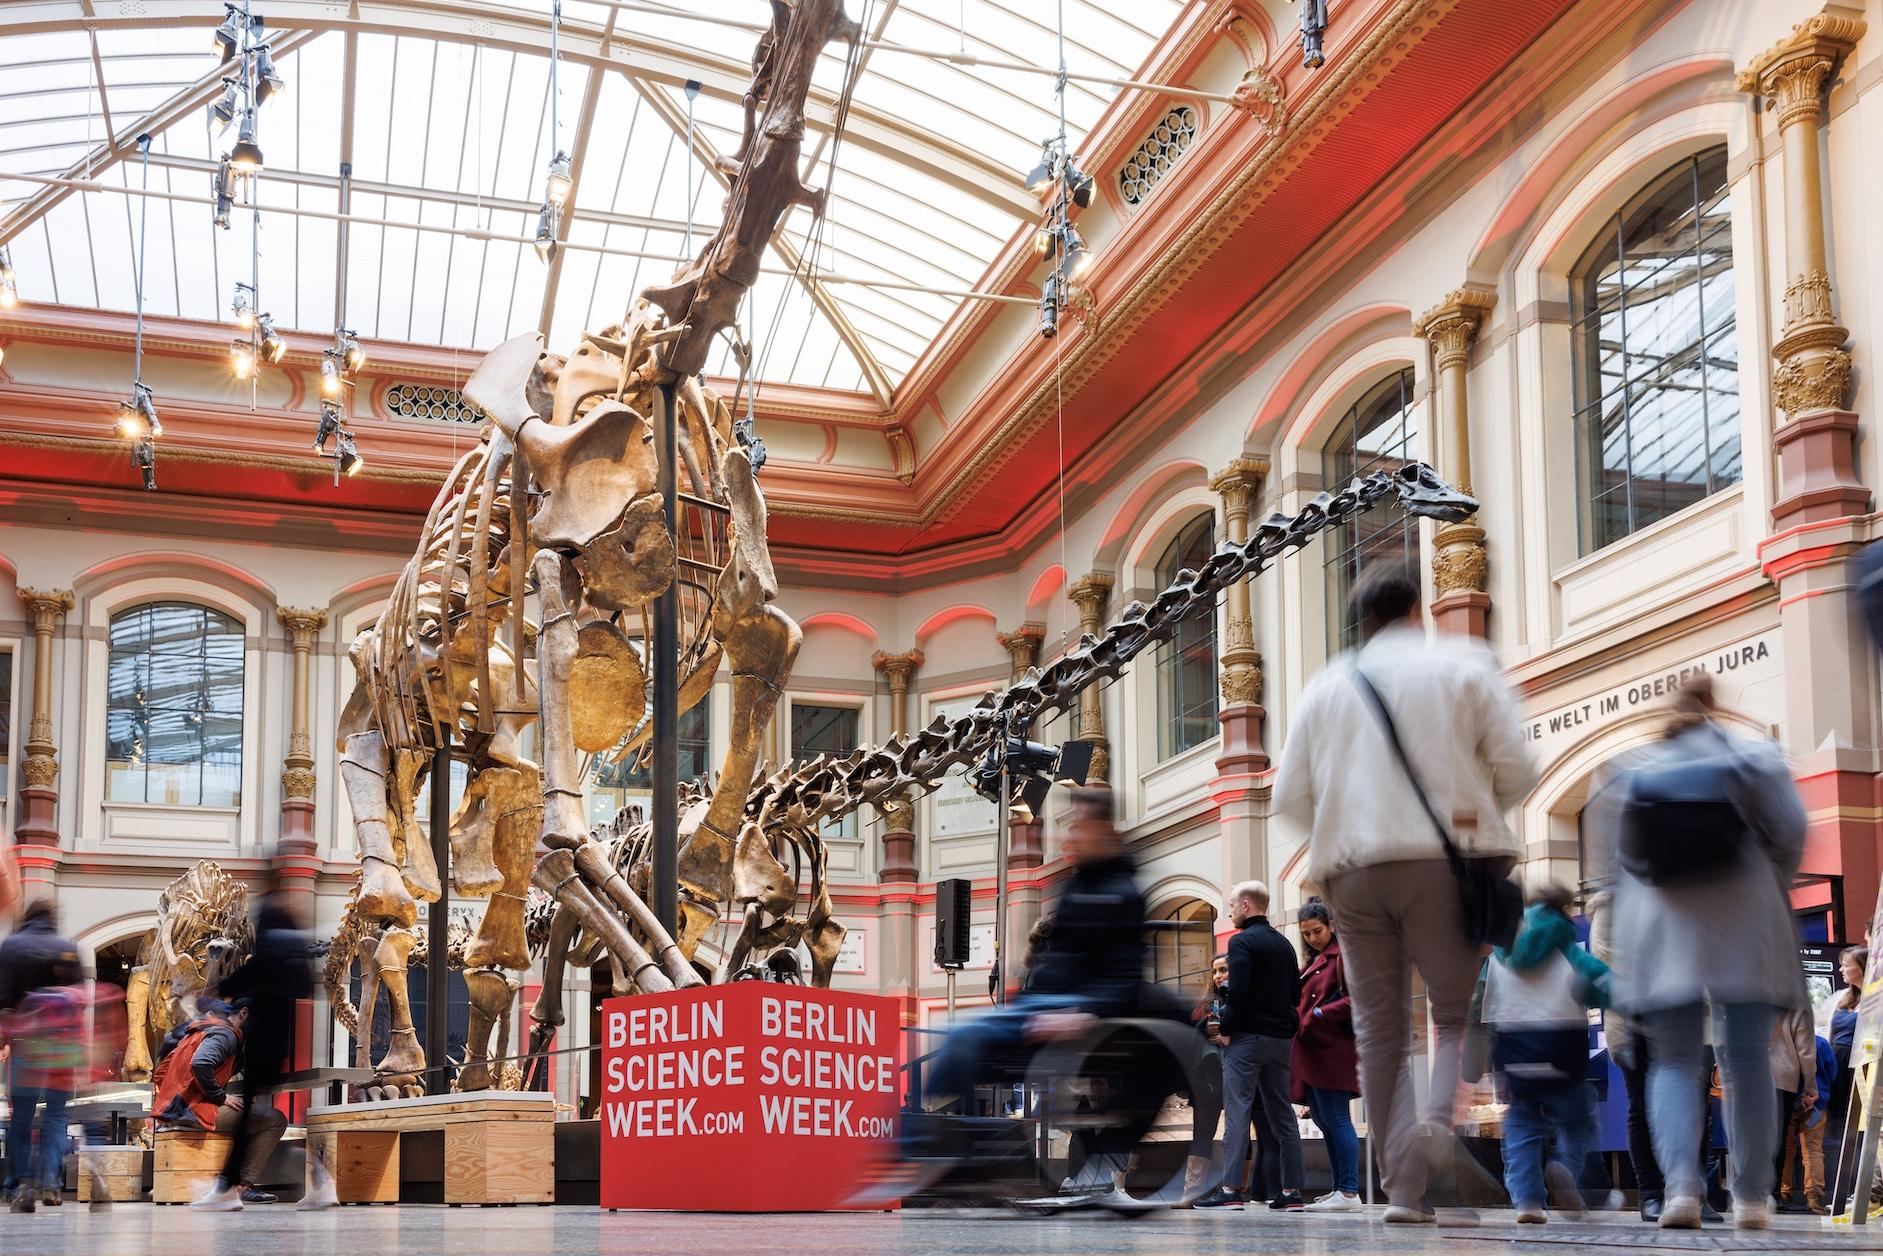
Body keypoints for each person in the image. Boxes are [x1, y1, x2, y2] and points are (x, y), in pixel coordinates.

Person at [1274, 565, 1537, 1223]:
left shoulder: (1326, 685)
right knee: (1450, 1017)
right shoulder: (1462, 665)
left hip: (1354, 869)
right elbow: (1516, 768)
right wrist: (1469, 804)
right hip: (1443, 863)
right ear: (1417, 610)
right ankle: (1435, 1133)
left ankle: (1403, 1191)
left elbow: (1289, 796)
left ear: (1360, 621)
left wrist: (1343, 829)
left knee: (1378, 1030)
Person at [1593, 673, 1808, 1231]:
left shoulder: (1633, 769)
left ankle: (1682, 1191)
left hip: (1663, 924)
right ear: (1715, 707)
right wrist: (1764, 879)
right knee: (1748, 1062)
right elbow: (1790, 831)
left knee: (1673, 1060)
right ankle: (1753, 1198)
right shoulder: (1755, 758)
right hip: (1748, 917)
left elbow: (1616, 864)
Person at [194, 858, 325, 1210]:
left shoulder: (271, 917)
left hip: (265, 1032)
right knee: (258, 1114)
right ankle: (319, 1181)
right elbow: (301, 983)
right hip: (280, 1031)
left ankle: (225, 1190)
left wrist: (219, 989)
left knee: (251, 1114)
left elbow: (259, 967)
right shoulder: (293, 926)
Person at [1481, 885, 1610, 1224]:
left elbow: (1485, 1004)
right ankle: (1564, 1167)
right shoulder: (1565, 943)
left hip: (1513, 1046)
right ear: (1563, 909)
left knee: (1522, 1124)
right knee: (1578, 1118)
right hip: (1562, 1045)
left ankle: (1527, 1202)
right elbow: (1600, 986)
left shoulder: (1502, 949)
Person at [1194, 880, 1305, 1212]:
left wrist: (1226, 1029)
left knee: (1238, 1112)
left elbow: (1238, 993)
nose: (1229, 912)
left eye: (1231, 905)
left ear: (1245, 905)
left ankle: (1230, 1189)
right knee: (1282, 1115)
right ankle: (1292, 1193)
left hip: (1246, 1040)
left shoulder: (1242, 943)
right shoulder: (1285, 945)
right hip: (1279, 1040)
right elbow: (1295, 996)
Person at [151, 998, 288, 1209]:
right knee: (275, 1119)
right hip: (192, 1110)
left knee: (249, 1113)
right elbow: (201, 1062)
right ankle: (241, 1186)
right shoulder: (226, 1034)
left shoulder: (202, 1028)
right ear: (243, 1013)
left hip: (176, 1108)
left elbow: (163, 1063)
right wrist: (220, 1097)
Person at [0, 898, 83, 1213]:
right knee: (56, 1117)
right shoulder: (66, 946)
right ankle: (50, 1182)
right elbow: (78, 1000)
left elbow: (4, 998)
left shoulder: (11, 946)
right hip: (62, 1049)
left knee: (20, 1118)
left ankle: (22, 1184)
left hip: (26, 1045)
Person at [1292, 899, 1361, 1213]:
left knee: (1335, 1118)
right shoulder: (1319, 960)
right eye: (1306, 933)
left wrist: (1318, 1013)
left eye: (1316, 931)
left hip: (1332, 1050)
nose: (1311, 938)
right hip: (1316, 1051)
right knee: (1324, 1119)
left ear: (1332, 926)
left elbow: (1357, 999)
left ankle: (1348, 1192)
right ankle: (1339, 1188)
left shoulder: (1343, 957)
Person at [1176, 952, 1229, 1205]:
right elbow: (1188, 1039)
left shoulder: (1244, 999)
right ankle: (1191, 1192)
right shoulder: (1205, 1004)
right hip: (1206, 1080)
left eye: (1224, 970)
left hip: (1235, 1075)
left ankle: (1237, 1188)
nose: (1219, 976)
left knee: (1238, 1132)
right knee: (1202, 1134)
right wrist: (1204, 1029)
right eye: (1216, 971)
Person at [1778, 1026, 1835, 1213]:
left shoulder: (1787, 1046)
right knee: (1813, 1149)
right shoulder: (1821, 1043)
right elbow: (1832, 1071)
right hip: (1816, 1106)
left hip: (1791, 1103)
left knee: (1786, 1149)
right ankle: (1814, 1197)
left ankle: (1783, 1192)